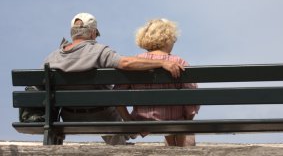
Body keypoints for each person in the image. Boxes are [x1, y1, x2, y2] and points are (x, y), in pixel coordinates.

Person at [43, 13, 184, 145]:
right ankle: (127, 138)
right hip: (101, 115)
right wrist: (161, 63)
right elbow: (125, 63)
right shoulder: (98, 51)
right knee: (114, 111)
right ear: (92, 32)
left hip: (69, 117)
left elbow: (41, 87)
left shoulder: (52, 57)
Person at [115, 18, 199, 147]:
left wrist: (128, 120)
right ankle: (179, 147)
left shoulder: (135, 62)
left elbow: (117, 95)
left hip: (142, 120)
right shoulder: (179, 63)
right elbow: (192, 97)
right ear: (167, 39)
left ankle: (173, 143)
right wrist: (187, 119)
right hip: (175, 120)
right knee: (178, 116)